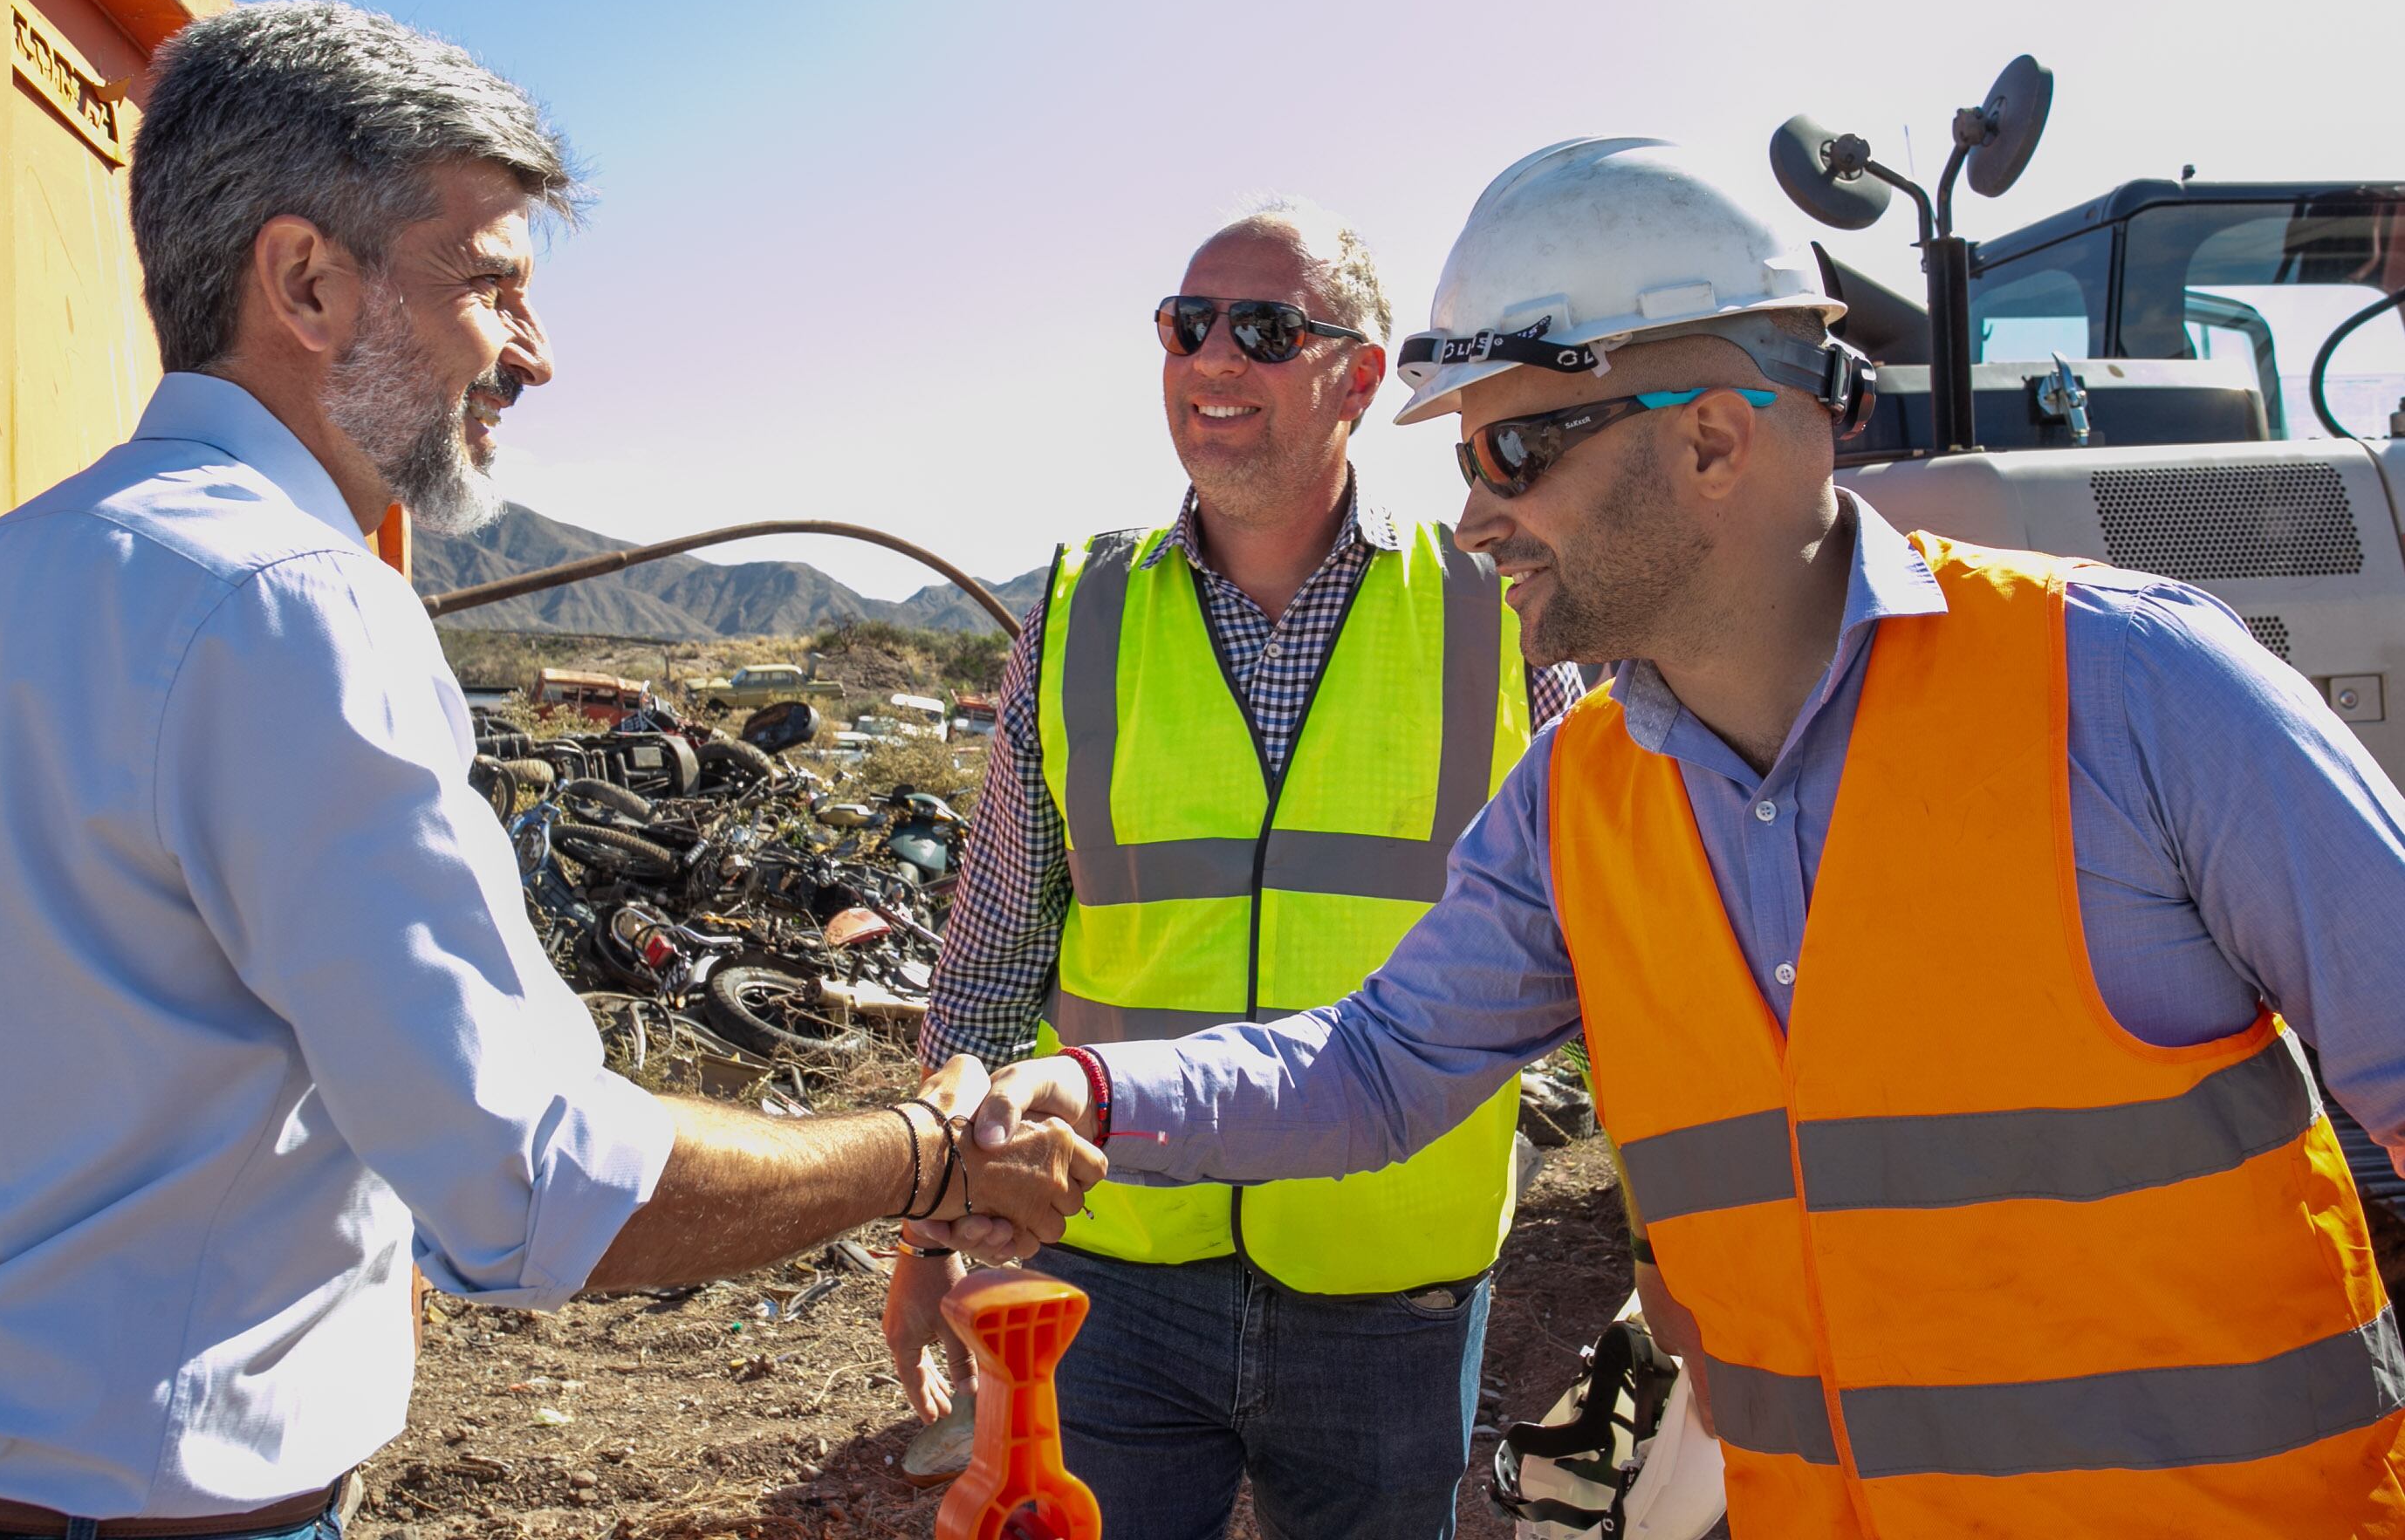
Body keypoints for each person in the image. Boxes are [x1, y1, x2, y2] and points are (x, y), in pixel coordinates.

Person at [0, 0, 1099, 1537]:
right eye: (490, 286)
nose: (532, 354)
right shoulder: (292, 605)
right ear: (306, 283)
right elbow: (536, 1183)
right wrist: (927, 1155)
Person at [963, 140, 2405, 1537]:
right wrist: (1088, 1088)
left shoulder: (2135, 694)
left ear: (1714, 436)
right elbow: (1379, 1062)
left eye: (1514, 451)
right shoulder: (1576, 794)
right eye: (1466, 459)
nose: (1473, 520)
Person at [887, 199, 1585, 1540]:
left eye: (1264, 329)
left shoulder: (1502, 609)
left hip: (1391, 1278)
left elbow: (1611, 938)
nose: (1213, 358)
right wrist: (928, 1223)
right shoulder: (1079, 617)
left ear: (1363, 379)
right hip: (1115, 1259)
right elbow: (991, 955)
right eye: (1184, 324)